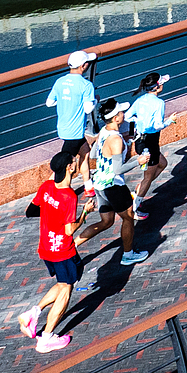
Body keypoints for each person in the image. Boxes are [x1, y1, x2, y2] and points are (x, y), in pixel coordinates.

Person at [19, 151, 83, 353]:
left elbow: (31, 210)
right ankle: (46, 338)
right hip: (63, 250)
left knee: (62, 283)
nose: (77, 161)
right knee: (66, 290)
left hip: (46, 248)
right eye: (74, 160)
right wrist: (85, 213)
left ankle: (33, 314)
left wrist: (51, 212)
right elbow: (69, 230)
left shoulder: (46, 187)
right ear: (69, 168)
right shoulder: (69, 196)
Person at [76, 99, 148, 267]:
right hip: (113, 185)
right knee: (128, 218)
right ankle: (128, 255)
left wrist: (123, 144)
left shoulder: (103, 131)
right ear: (116, 118)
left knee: (106, 222)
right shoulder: (115, 140)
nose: (124, 114)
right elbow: (118, 170)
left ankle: (73, 246)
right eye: (121, 113)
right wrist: (139, 160)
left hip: (99, 184)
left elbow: (94, 154)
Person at [45, 51, 98, 185]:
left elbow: (49, 103)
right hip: (75, 131)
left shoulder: (59, 82)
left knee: (85, 152)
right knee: (63, 166)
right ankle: (50, 190)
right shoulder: (86, 85)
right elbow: (87, 109)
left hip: (63, 128)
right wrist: (96, 101)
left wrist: (65, 101)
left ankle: (88, 186)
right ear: (84, 66)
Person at [125, 71, 169, 220]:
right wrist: (170, 121)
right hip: (150, 142)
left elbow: (127, 116)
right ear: (157, 87)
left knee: (163, 163)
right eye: (161, 82)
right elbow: (157, 125)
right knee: (147, 178)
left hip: (140, 141)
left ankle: (138, 192)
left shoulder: (140, 100)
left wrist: (139, 121)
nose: (162, 84)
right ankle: (135, 208)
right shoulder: (159, 103)